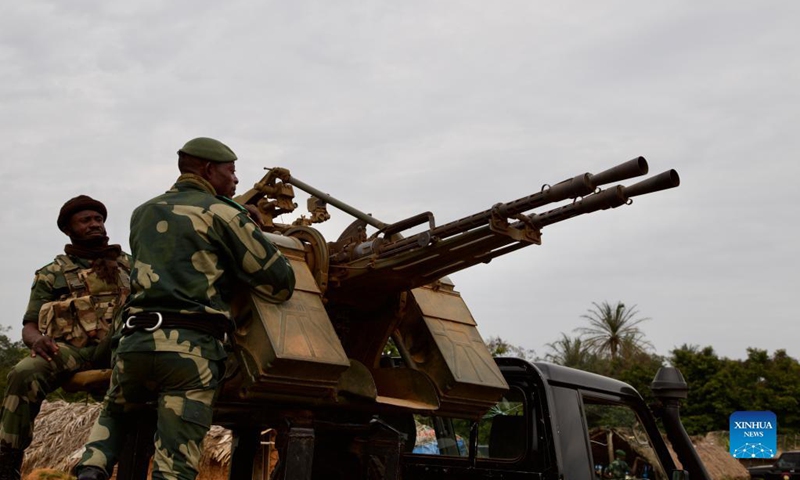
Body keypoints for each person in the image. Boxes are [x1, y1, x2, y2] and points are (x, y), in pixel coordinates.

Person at [75, 137, 296, 480]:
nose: (236, 180)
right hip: (189, 352)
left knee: (117, 411)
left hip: (134, 343)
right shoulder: (224, 213)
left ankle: (92, 466)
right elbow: (279, 281)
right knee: (175, 467)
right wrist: (252, 232)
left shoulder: (143, 212)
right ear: (209, 169)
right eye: (231, 171)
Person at [0, 196, 131, 480]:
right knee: (24, 372)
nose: (95, 224)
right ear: (68, 229)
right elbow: (29, 326)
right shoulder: (52, 273)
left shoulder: (129, 266)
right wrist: (37, 341)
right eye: (86, 220)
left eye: (98, 219)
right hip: (71, 351)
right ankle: (7, 459)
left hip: (120, 347)